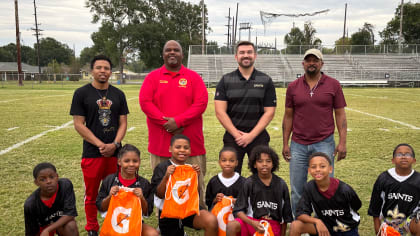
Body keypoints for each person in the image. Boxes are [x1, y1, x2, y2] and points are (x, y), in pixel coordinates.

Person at [139, 40, 208, 209]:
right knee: (162, 180)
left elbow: (201, 102)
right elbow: (145, 102)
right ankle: (164, 214)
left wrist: (178, 121)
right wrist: (166, 123)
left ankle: (197, 212)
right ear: (163, 54)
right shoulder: (152, 77)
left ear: (182, 54)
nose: (172, 52)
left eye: (176, 50)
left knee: (195, 180)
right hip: (161, 142)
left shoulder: (193, 77)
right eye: (168, 50)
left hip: (191, 142)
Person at [282, 48, 347, 215]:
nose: (311, 63)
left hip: (324, 142)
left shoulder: (333, 84)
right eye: (308, 60)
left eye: (315, 60)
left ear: (321, 63)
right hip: (298, 144)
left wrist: (342, 142)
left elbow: (340, 114)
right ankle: (300, 225)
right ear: (303, 64)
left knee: (326, 187)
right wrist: (285, 143)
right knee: (297, 189)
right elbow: (288, 116)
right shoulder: (293, 87)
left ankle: (324, 222)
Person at [70, 54, 129, 235]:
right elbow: (79, 124)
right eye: (99, 68)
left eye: (106, 68)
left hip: (115, 153)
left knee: (117, 190)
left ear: (111, 72)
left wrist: (115, 144)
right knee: (92, 194)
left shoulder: (118, 94)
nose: (103, 71)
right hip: (92, 153)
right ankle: (92, 228)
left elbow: (123, 122)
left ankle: (115, 224)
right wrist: (100, 144)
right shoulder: (81, 93)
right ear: (91, 71)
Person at [214, 41, 277, 174]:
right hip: (233, 137)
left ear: (255, 56)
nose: (246, 55)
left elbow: (269, 112)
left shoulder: (265, 80)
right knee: (231, 176)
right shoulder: (226, 80)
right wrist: (237, 134)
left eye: (249, 52)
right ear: (236, 57)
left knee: (262, 175)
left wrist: (251, 136)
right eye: (242, 53)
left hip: (258, 137)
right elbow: (220, 112)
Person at [151, 134, 218, 236]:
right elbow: (159, 194)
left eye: (186, 148)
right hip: (169, 213)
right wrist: (166, 176)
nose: (182, 150)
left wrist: (197, 176)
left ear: (190, 150)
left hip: (188, 209)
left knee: (211, 220)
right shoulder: (162, 167)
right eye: (178, 147)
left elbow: (195, 194)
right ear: (170, 149)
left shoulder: (190, 168)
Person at [289, 152, 361, 236]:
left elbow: (357, 205)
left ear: (330, 169)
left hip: (346, 229)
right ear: (309, 170)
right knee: (295, 225)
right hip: (324, 227)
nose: (318, 169)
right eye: (313, 167)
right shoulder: (309, 187)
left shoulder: (344, 189)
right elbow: (300, 214)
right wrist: (317, 221)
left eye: (322, 166)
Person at [226, 145, 293, 236]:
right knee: (232, 225)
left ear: (273, 164)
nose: (264, 164)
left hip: (272, 225)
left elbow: (285, 217)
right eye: (260, 161)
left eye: (268, 161)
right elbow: (238, 211)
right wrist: (252, 223)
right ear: (254, 164)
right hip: (252, 222)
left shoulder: (281, 185)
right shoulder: (249, 183)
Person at [96, 144, 158, 236]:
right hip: (114, 223)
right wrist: (110, 196)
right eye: (127, 161)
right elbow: (100, 207)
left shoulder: (144, 184)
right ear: (119, 162)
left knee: (152, 234)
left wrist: (141, 198)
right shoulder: (110, 180)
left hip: (134, 222)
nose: (131, 164)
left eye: (135, 161)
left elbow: (147, 212)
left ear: (139, 162)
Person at [368, 143, 420, 236]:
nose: (403, 157)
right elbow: (375, 210)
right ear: (393, 160)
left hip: (409, 220)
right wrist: (378, 232)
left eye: (408, 154)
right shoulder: (384, 178)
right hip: (388, 220)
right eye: (399, 154)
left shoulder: (418, 179)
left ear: (414, 160)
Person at [24, 162, 78, 236]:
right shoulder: (31, 204)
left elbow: (70, 214)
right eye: (43, 179)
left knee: (71, 226)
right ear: (36, 182)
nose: (48, 181)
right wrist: (45, 231)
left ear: (57, 176)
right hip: (42, 228)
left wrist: (48, 229)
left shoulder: (65, 185)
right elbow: (31, 232)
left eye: (52, 177)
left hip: (59, 223)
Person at [205, 146, 246, 210]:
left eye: (231, 161)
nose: (227, 163)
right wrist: (216, 199)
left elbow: (248, 203)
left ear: (236, 163)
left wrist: (236, 202)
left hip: (237, 215)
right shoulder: (213, 181)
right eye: (224, 160)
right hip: (218, 214)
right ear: (219, 162)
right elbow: (208, 202)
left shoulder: (243, 182)